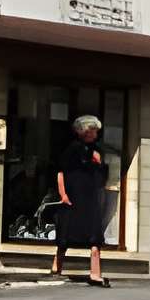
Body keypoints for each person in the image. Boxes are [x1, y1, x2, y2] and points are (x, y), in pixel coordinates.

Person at [51, 114, 111, 288]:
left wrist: (99, 163)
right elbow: (61, 172)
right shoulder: (72, 148)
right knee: (66, 234)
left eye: (96, 131)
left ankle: (95, 273)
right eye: (93, 130)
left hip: (90, 197)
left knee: (94, 236)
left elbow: (101, 173)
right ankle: (56, 267)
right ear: (84, 131)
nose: (95, 134)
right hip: (73, 195)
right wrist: (63, 194)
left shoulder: (97, 150)